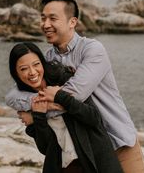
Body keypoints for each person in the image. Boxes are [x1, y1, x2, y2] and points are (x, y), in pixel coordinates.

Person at [6, 0, 144, 173]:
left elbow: (74, 95)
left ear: (72, 22)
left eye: (53, 18)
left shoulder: (92, 50)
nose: (45, 24)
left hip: (118, 139)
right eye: (43, 18)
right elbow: (12, 96)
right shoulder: (49, 58)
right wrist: (40, 104)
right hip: (86, 146)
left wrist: (37, 114)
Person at [9, 42, 123, 173]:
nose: (32, 72)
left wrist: (60, 97)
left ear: (42, 63)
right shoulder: (25, 101)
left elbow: (94, 118)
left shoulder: (65, 81)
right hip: (64, 168)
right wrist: (39, 116)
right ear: (15, 73)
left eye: (36, 64)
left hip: (95, 163)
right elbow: (45, 148)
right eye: (23, 69)